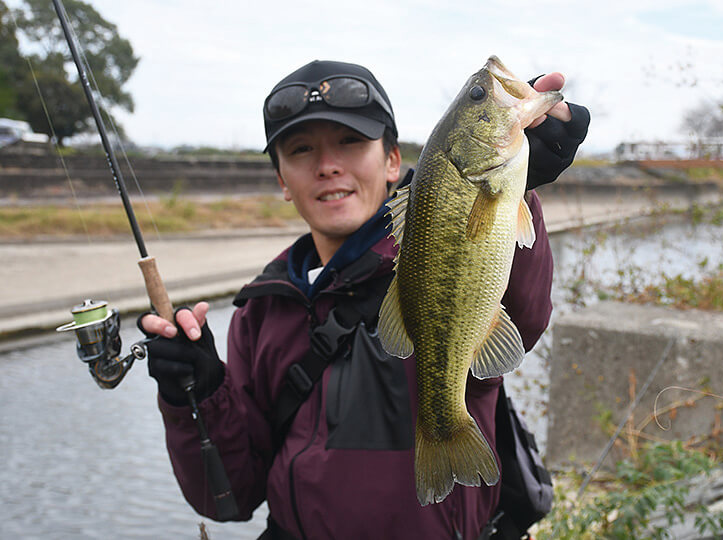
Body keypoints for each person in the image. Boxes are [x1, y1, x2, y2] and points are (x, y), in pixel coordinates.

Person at [139, 59, 590, 540]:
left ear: (393, 160)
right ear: (282, 181)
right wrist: (197, 397)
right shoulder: (260, 312)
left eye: (351, 142)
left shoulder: (419, 255)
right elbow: (228, 498)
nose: (327, 164)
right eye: (300, 149)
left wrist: (526, 186)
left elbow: (522, 315)